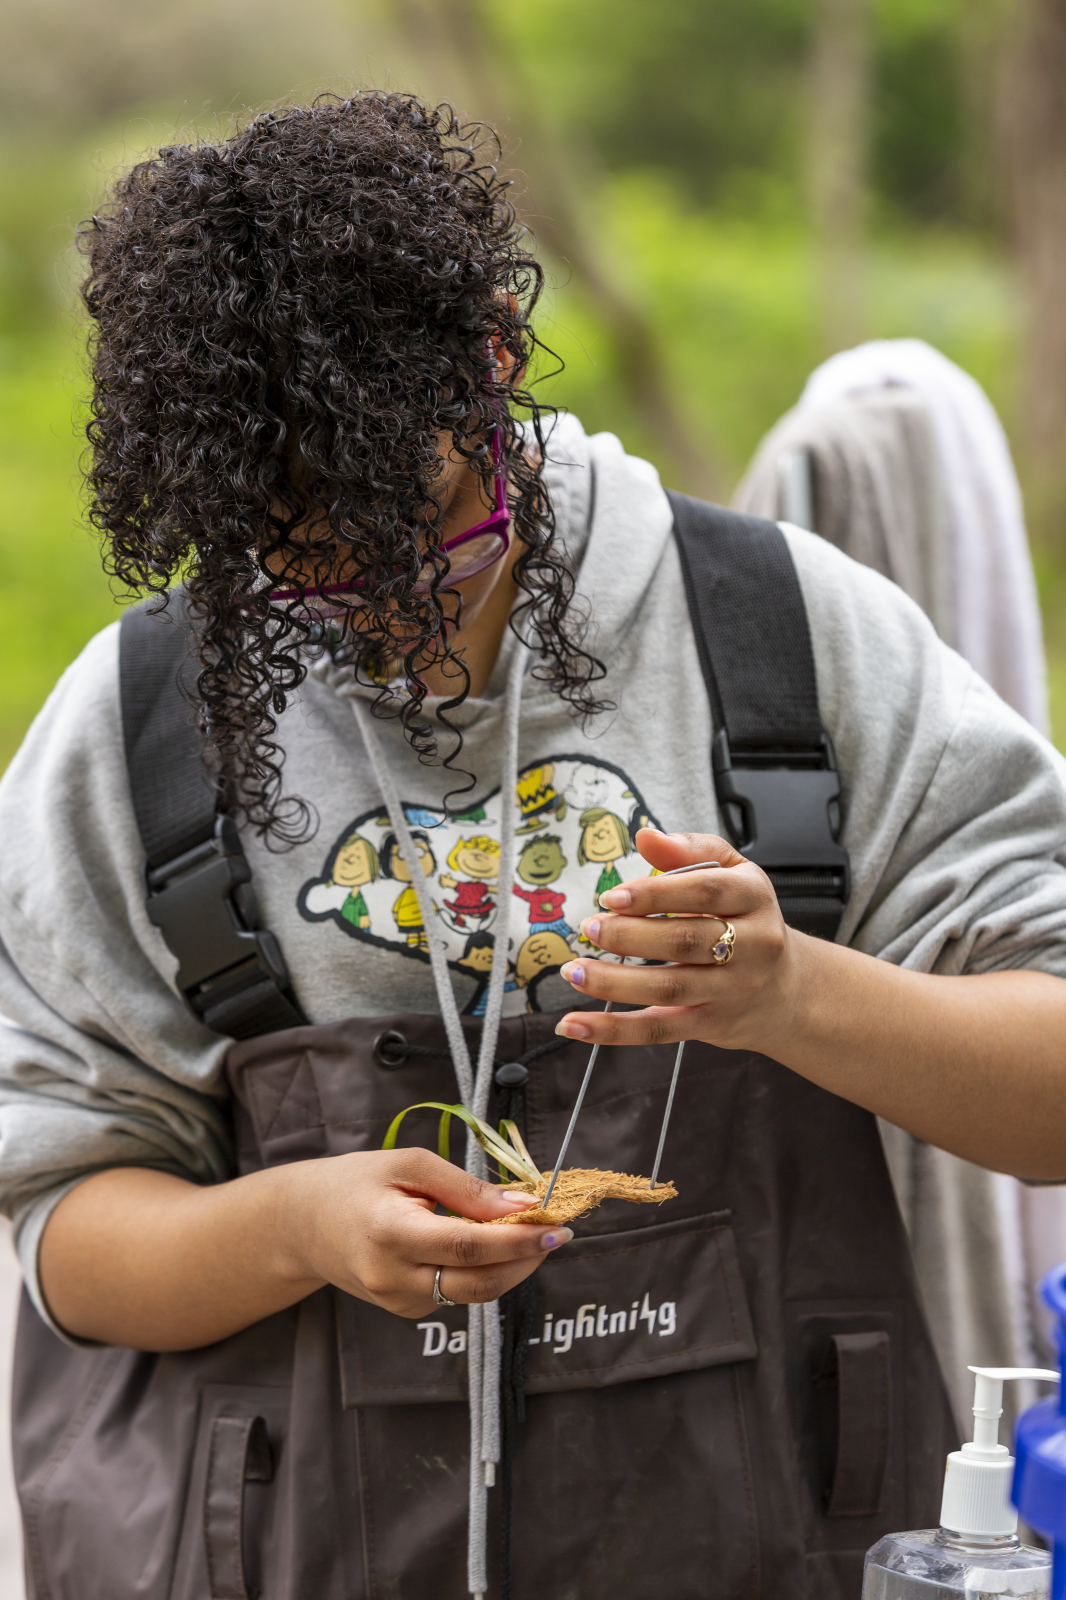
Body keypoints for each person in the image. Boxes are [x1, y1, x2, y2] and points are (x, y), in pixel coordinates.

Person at [3, 90, 1066, 1600]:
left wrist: (789, 997)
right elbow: (59, 1228)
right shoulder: (134, 725)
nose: (366, 617)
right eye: (284, 563)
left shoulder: (782, 642)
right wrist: (293, 1225)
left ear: (493, 354)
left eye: (399, 528)